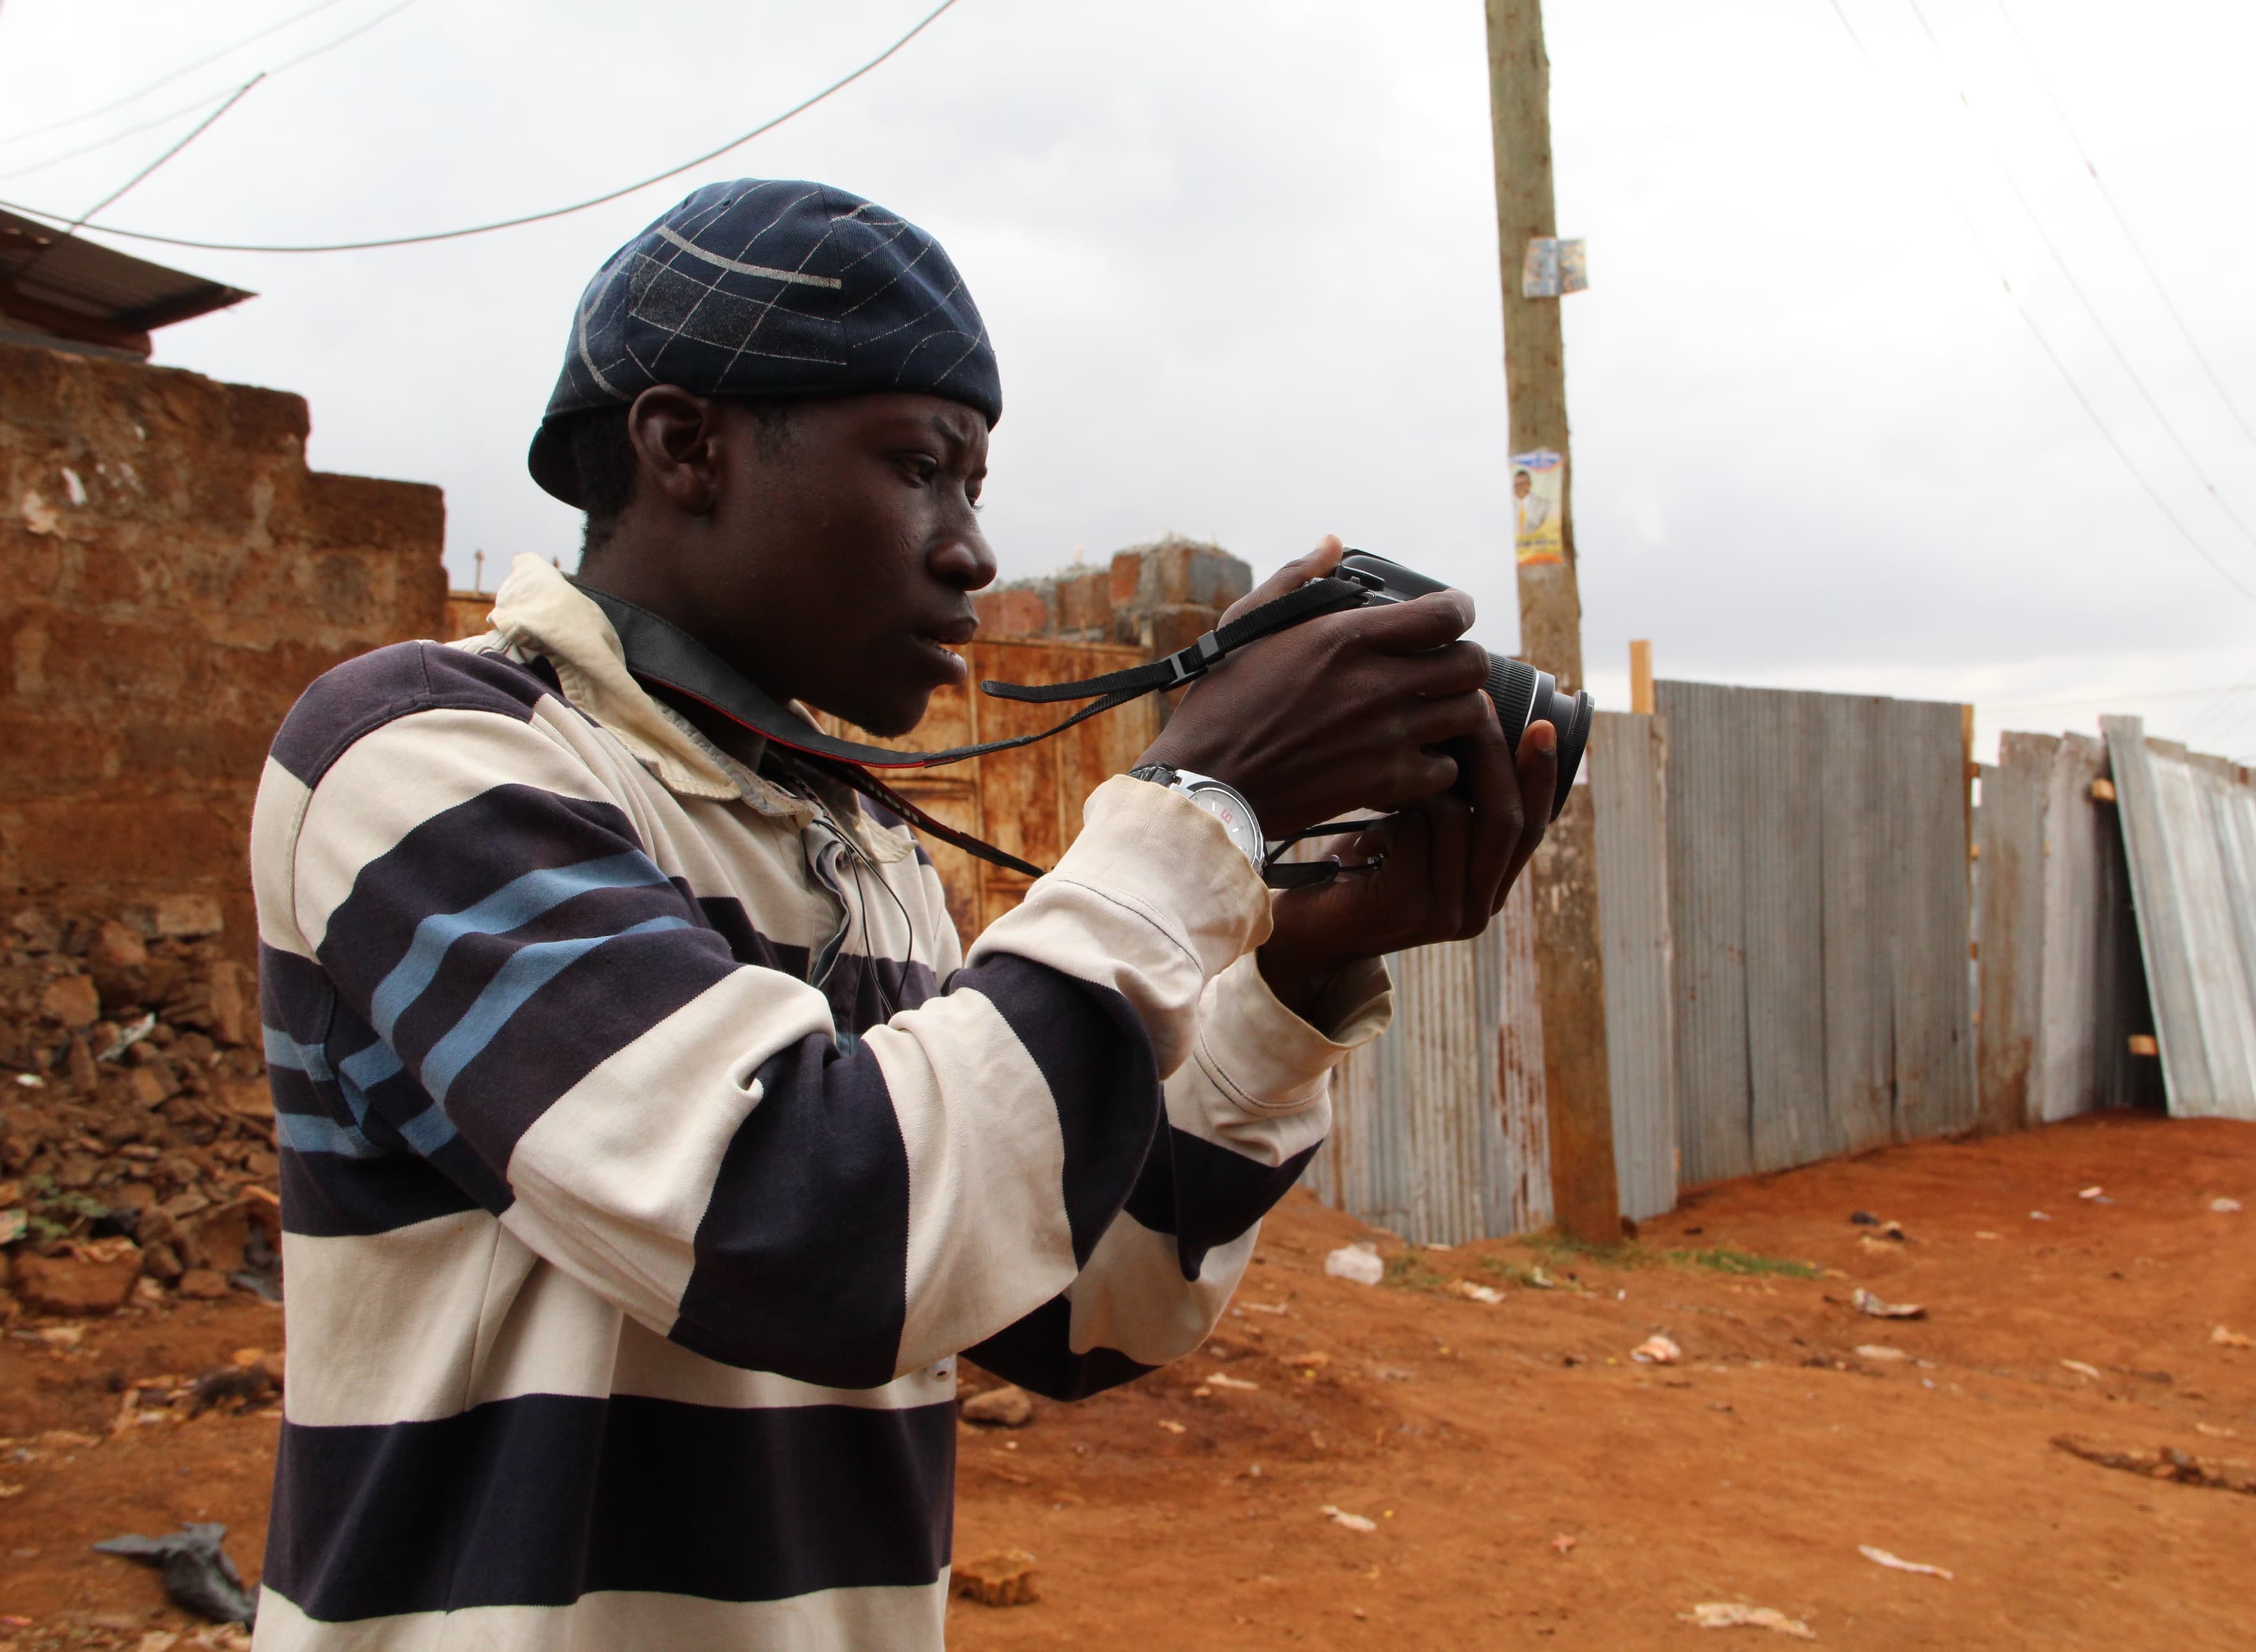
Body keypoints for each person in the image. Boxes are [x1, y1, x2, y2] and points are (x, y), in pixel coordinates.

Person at [248, 179, 1555, 1649]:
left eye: (976, 487)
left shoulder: (864, 843)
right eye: (923, 468)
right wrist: (1200, 802)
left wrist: (1303, 965)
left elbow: (1059, 1307)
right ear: (685, 447)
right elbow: (803, 1231)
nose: (971, 550)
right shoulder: (427, 753)